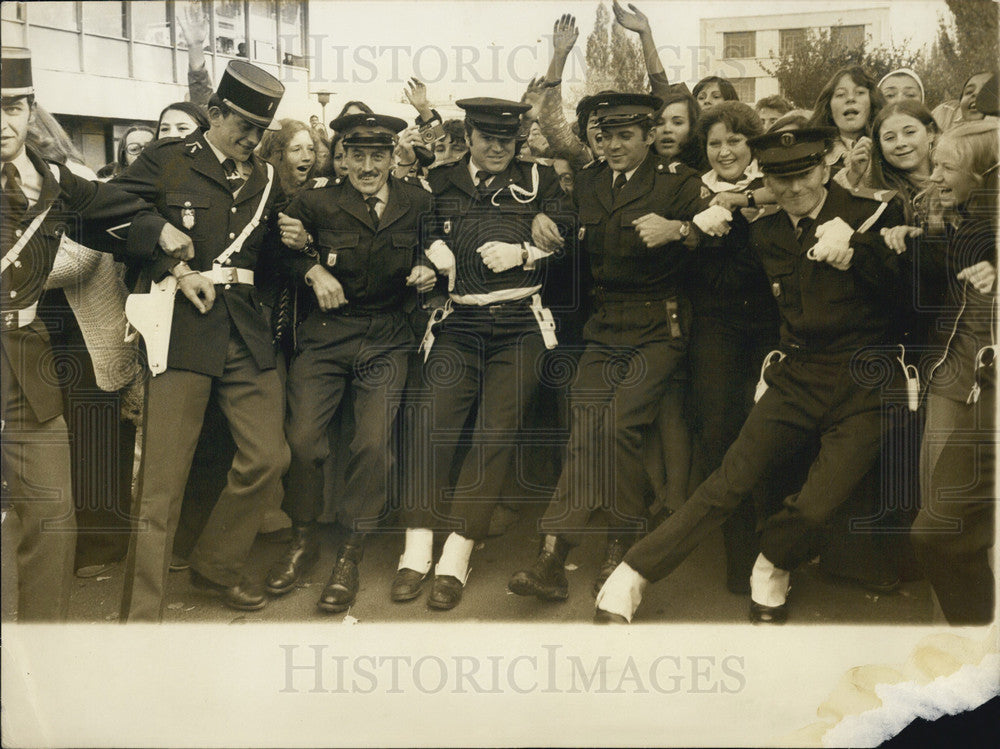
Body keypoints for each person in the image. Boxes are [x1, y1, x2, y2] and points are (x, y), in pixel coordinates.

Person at [594, 127, 907, 624]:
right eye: (781, 178)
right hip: (797, 375)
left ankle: (772, 563)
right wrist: (694, 229)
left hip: (863, 381)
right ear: (768, 179)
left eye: (804, 174)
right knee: (727, 481)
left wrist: (861, 251)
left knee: (815, 506)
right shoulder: (766, 232)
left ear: (825, 168)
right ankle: (632, 577)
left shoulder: (874, 213)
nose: (794, 188)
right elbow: (724, 281)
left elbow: (912, 291)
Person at [0, 46, 188, 620]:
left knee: (53, 516)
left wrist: (164, 241)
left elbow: (116, 207)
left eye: (11, 107)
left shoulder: (53, 179)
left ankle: (45, 647)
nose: (1, 123)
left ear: (30, 109)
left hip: (25, 363)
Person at [508, 92, 707, 604]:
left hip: (659, 326)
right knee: (586, 426)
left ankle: (621, 543)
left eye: (625, 136)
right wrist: (542, 219)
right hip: (606, 324)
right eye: (606, 136)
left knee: (618, 427)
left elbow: (719, 229)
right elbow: (564, 215)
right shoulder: (590, 181)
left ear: (649, 136)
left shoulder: (678, 181)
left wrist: (680, 229)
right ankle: (553, 555)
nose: (613, 145)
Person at [115, 60, 291, 620]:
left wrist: (300, 245)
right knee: (163, 480)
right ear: (213, 114)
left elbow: (271, 257)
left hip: (244, 330)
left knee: (268, 457)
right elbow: (107, 211)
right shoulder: (168, 160)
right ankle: (141, 614)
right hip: (182, 328)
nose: (252, 139)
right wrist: (169, 255)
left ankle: (216, 566)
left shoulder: (266, 178)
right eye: (243, 126)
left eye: (260, 131)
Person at [394, 97, 569, 611]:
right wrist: (432, 254)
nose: (497, 148)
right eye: (488, 137)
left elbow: (572, 241)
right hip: (460, 321)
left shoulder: (539, 180)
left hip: (520, 324)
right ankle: (415, 549)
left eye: (507, 140)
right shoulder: (440, 181)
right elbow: (418, 231)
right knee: (430, 426)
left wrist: (528, 253)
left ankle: (457, 553)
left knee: (494, 435)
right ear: (467, 135)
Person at [266, 112, 436, 612]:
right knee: (302, 440)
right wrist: (312, 270)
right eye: (356, 155)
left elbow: (439, 246)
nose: (366, 167)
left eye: (377, 156)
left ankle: (351, 551)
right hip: (326, 335)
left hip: (387, 337)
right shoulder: (316, 201)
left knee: (373, 444)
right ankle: (303, 538)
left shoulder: (417, 201)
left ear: (392, 156)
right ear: (341, 157)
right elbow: (276, 252)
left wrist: (429, 266)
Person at [897, 120, 998, 625]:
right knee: (938, 517)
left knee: (962, 526)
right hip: (949, 373)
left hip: (984, 387)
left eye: (947, 167)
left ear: (985, 176)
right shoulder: (951, 217)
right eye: (934, 163)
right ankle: (946, 636)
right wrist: (917, 232)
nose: (933, 175)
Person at [684, 101, 779, 594]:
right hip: (715, 329)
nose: (724, 151)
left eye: (735, 141)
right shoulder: (693, 190)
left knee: (768, 433)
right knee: (720, 434)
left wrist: (740, 203)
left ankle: (775, 552)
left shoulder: (772, 185)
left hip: (769, 328)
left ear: (752, 145)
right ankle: (739, 553)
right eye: (714, 143)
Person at [808, 65, 886, 184]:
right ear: (828, 108)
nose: (850, 99)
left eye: (859, 92)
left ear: (872, 102)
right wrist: (853, 175)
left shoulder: (888, 150)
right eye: (840, 94)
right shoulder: (814, 156)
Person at [257, 118, 319, 196]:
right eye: (296, 149)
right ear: (276, 153)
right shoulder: (262, 192)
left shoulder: (317, 189)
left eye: (311, 149)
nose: (307, 157)